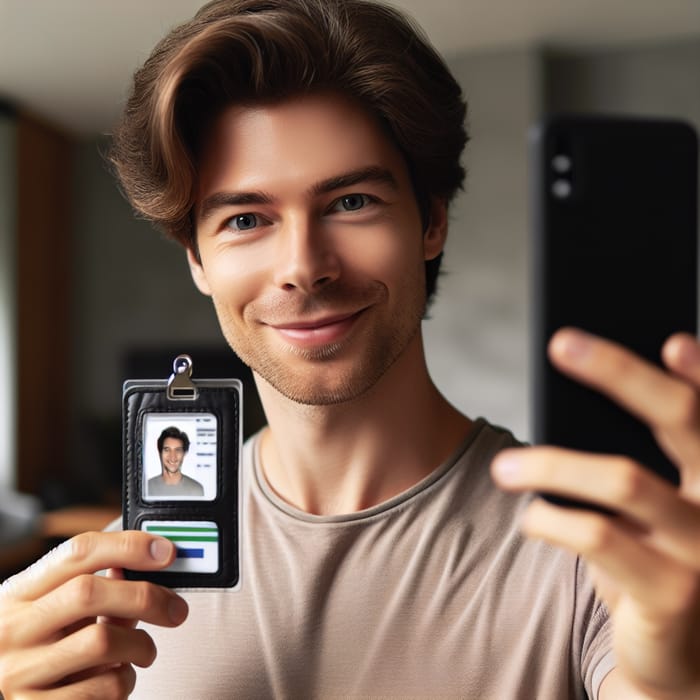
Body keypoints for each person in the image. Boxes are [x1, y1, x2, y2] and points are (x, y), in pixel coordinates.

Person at [1, 1, 699, 697]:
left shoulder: (596, 553)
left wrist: (674, 670)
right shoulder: (115, 587)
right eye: (246, 219)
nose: (304, 266)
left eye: (352, 202)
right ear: (198, 261)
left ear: (430, 222)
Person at [147, 426, 204, 498]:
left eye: (178, 450)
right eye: (167, 450)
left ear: (184, 453)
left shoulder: (196, 490)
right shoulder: (147, 488)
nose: (172, 457)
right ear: (160, 452)